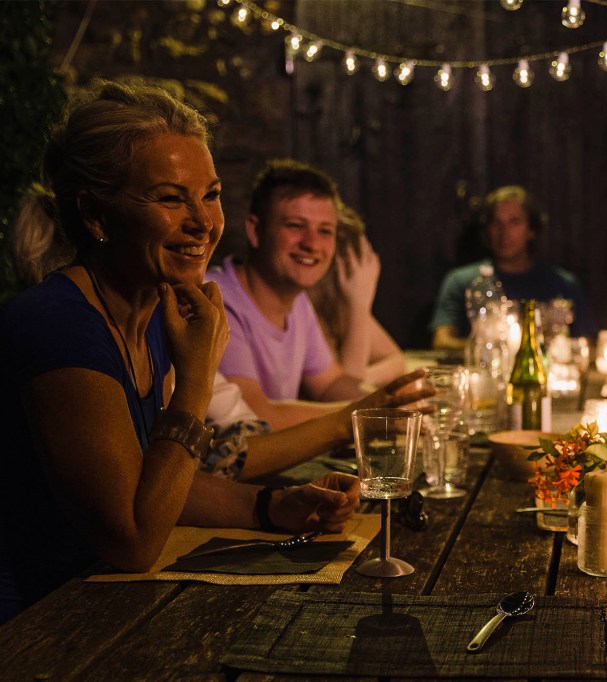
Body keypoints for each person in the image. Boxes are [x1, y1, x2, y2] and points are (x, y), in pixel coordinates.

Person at [0, 80, 359, 610]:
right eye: (170, 198)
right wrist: (195, 377)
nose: (203, 223)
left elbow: (155, 481)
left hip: (98, 600)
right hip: (34, 624)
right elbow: (135, 538)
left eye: (210, 195)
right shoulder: (59, 325)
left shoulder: (148, 315)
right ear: (96, 216)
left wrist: (273, 506)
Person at [207, 160, 394, 429]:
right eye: (295, 226)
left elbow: (330, 384)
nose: (312, 244)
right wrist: (368, 411)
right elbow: (254, 416)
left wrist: (393, 402)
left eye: (325, 231)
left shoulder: (297, 301)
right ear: (255, 231)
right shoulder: (218, 300)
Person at [430, 185, 596, 350]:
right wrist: (491, 349)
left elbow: (585, 345)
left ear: (531, 230)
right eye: (496, 223)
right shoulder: (462, 281)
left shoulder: (562, 284)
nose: (504, 233)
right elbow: (442, 341)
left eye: (514, 222)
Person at [307, 201, 406, 388]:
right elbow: (346, 393)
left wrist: (365, 377)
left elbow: (395, 359)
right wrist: (360, 302)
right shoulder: (300, 311)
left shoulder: (337, 310)